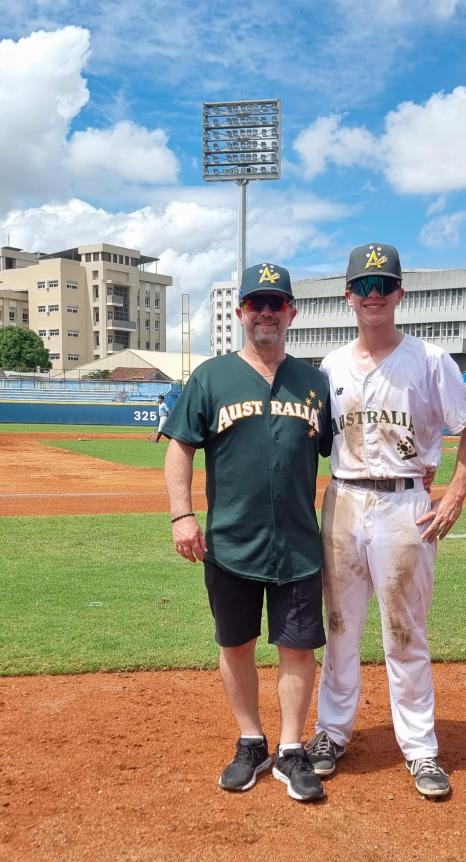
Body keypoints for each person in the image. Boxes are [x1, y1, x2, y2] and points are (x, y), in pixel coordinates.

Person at [305, 243, 466, 798]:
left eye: (384, 286)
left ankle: (421, 749)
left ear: (400, 294)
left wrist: (454, 495)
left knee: (405, 634)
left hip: (406, 504)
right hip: (344, 500)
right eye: (364, 286)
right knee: (339, 628)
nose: (374, 296)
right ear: (348, 296)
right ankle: (331, 734)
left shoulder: (430, 359)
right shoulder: (331, 366)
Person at [162, 262, 332, 802]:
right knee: (236, 644)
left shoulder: (315, 381)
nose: (265, 312)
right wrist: (181, 514)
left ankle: (289, 749)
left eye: (276, 303)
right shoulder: (211, 376)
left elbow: (344, 451)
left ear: (291, 314)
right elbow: (179, 447)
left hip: (299, 545)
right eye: (256, 303)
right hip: (231, 542)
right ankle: (250, 739)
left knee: (298, 650)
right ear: (240, 313)